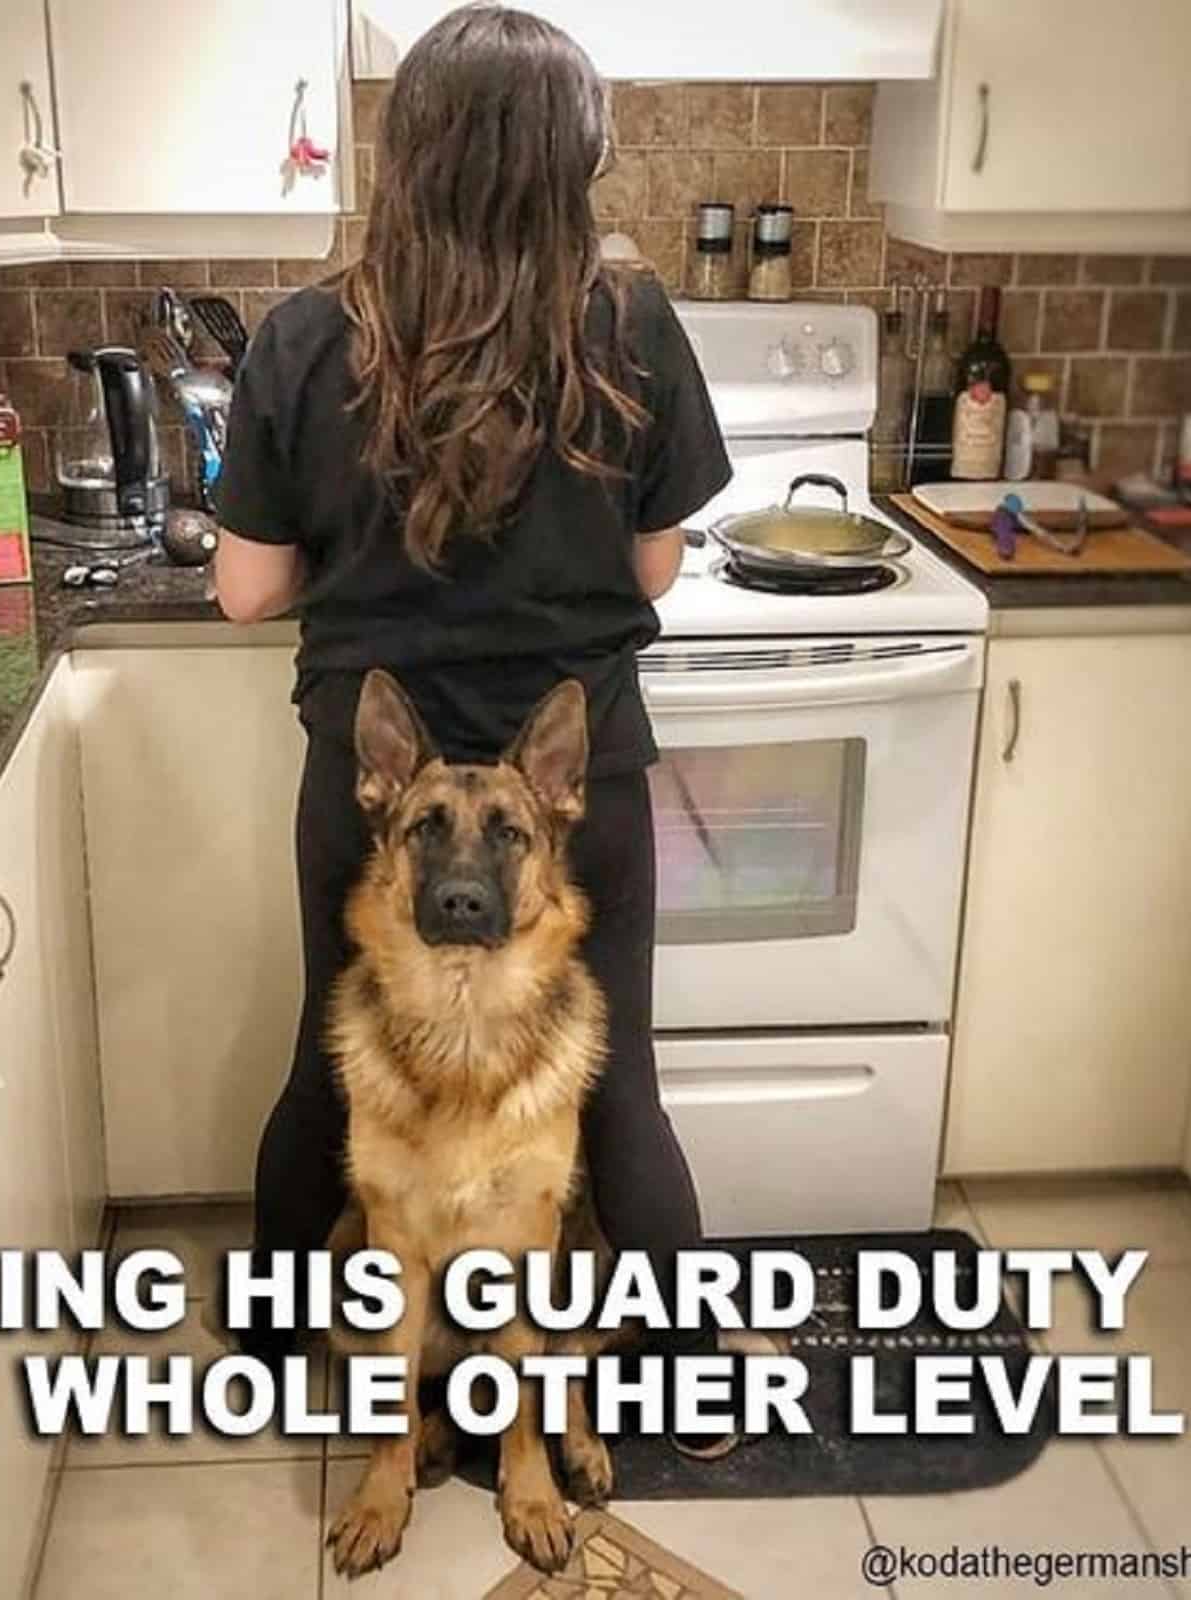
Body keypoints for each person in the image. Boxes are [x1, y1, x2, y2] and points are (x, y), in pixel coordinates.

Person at [212, 3, 731, 1445]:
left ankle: (264, 1354)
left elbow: (248, 592)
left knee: (335, 1071)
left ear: (410, 151)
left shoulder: (310, 334)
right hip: (571, 796)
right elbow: (652, 564)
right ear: (572, 161)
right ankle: (690, 1390)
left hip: (383, 800)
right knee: (614, 1083)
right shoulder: (628, 324)